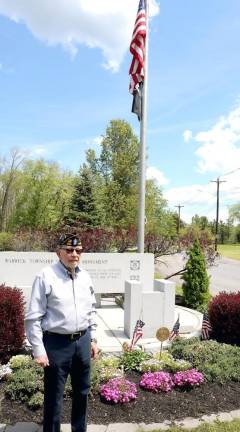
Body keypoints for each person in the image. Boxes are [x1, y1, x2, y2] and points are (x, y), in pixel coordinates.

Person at [25, 233, 98, 432]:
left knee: (82, 392)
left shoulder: (85, 276)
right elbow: (33, 316)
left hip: (82, 342)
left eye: (78, 251)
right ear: (59, 252)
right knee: (54, 396)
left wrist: (93, 339)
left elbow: (91, 309)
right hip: (57, 344)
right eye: (69, 250)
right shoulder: (45, 276)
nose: (74, 254)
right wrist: (38, 350)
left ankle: (79, 429)